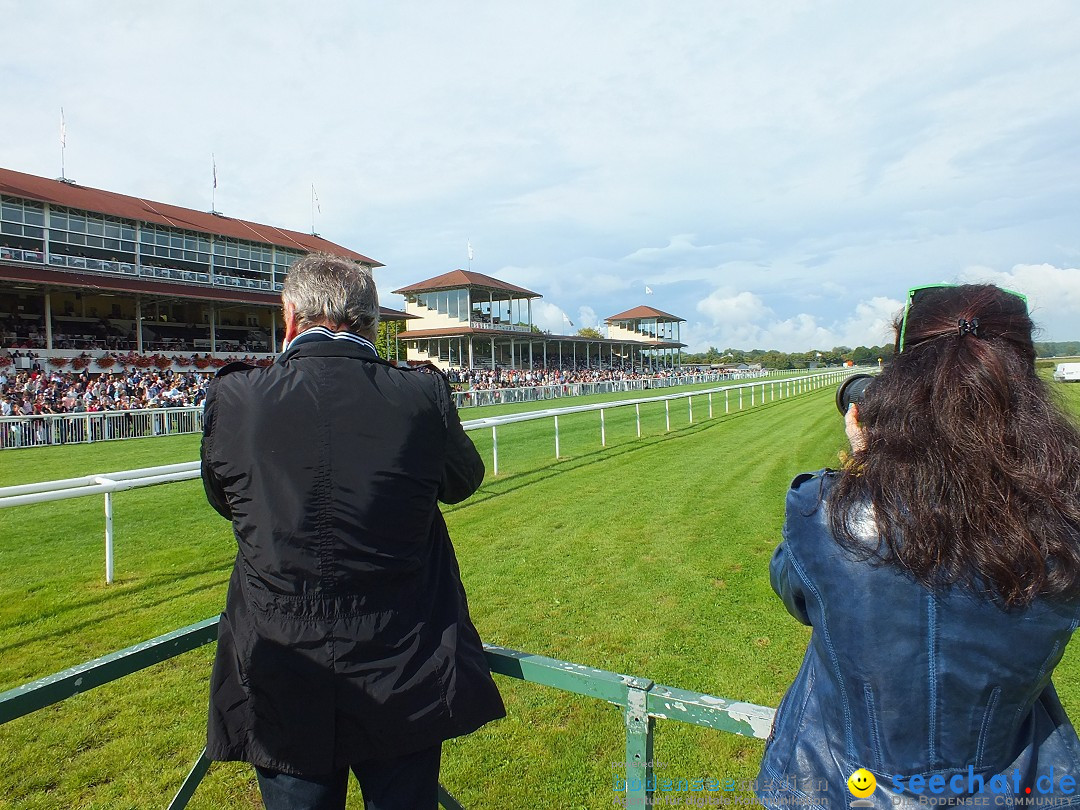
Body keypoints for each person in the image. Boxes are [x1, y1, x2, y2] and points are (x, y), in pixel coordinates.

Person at [757, 284, 1080, 809]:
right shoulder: (1066, 518)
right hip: (1016, 784)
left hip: (837, 785)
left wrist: (862, 469)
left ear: (902, 380)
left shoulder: (826, 510)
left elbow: (796, 593)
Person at [200, 253, 505, 810]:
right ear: (371, 321)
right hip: (404, 665)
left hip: (281, 667)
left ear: (289, 317)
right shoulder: (420, 393)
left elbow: (224, 501)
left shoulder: (235, 396)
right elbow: (462, 481)